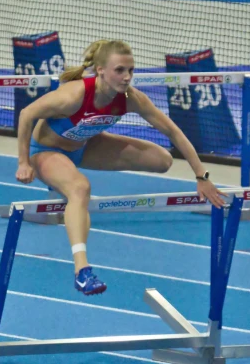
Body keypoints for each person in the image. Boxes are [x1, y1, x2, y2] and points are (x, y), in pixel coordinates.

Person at [15, 39, 225, 295]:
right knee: (80, 188)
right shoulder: (74, 95)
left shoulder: (130, 98)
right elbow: (27, 113)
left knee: (162, 160)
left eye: (131, 70)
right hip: (48, 151)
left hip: (84, 144)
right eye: (120, 70)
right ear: (101, 70)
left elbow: (173, 131)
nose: (127, 77)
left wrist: (201, 176)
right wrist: (24, 162)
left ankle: (72, 179)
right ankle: (82, 271)